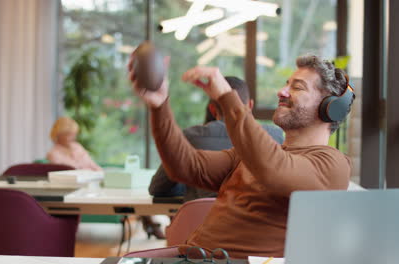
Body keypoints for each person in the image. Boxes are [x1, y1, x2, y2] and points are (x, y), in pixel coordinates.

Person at [128, 55, 353, 258]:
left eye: (298, 87)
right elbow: (186, 166)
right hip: (194, 256)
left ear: (329, 108)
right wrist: (159, 106)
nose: (282, 92)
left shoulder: (332, 164)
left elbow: (274, 170)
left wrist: (227, 97)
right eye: (286, 84)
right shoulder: (255, 155)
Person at [149, 76, 284, 202]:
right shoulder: (275, 137)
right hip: (253, 223)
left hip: (198, 223)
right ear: (250, 105)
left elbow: (157, 188)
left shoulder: (190, 137)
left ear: (212, 109)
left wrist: (191, 185)